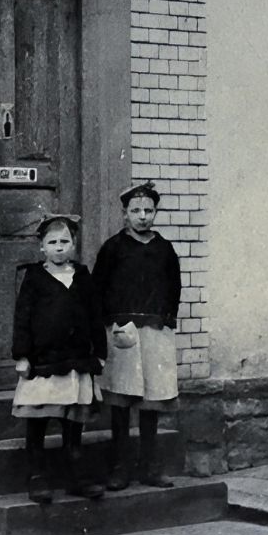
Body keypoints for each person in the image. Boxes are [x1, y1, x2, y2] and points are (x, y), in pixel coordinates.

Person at [92, 181, 184, 490]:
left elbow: (174, 287)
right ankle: (120, 467)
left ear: (155, 212)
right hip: (123, 333)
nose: (142, 216)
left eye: (148, 210)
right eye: (136, 211)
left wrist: (166, 319)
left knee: (150, 402)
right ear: (125, 213)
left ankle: (149, 467)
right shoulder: (113, 248)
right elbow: (99, 288)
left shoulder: (164, 249)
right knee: (122, 400)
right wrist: (109, 323)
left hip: (155, 332)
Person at [12, 213, 108, 503]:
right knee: (38, 420)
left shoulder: (82, 276)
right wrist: (22, 355)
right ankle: (37, 477)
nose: (58, 247)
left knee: (73, 423)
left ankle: (75, 476)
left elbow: (95, 317)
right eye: (52, 242)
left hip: (76, 362)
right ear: (42, 246)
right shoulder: (34, 278)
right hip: (44, 362)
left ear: (73, 245)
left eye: (64, 241)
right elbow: (22, 319)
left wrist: (99, 353)